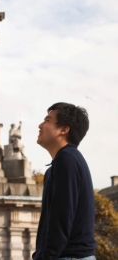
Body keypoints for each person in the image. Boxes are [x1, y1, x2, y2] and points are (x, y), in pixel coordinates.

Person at [33, 102, 96, 260]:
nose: (40, 125)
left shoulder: (67, 160)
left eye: (47, 120)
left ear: (64, 129)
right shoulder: (63, 163)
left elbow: (61, 220)